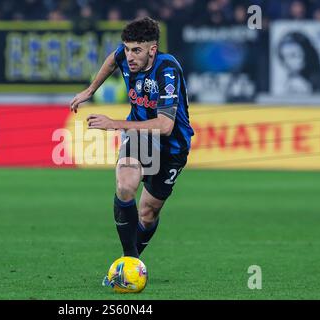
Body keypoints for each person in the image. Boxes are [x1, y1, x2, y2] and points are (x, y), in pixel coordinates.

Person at [70, 17, 194, 287]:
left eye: (136, 50)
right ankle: (129, 263)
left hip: (171, 146)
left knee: (148, 213)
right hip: (139, 136)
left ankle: (128, 263)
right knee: (125, 186)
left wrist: (114, 124)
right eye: (126, 49)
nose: (129, 56)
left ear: (152, 49)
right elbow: (112, 60)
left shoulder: (167, 70)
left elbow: (164, 125)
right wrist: (91, 90)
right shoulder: (126, 56)